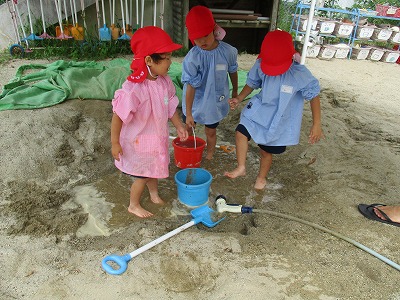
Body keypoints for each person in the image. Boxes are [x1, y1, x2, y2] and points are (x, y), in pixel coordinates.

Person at [224, 30, 323, 190]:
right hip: (261, 109)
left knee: (265, 151)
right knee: (241, 132)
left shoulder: (298, 73)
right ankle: (241, 167)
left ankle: (261, 178)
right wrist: (239, 98)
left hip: (280, 117)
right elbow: (252, 82)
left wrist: (316, 123)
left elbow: (314, 94)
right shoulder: (260, 64)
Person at [111, 26, 188, 218]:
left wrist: (179, 125)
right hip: (138, 140)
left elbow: (170, 104)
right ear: (148, 60)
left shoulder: (164, 81)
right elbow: (118, 115)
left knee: (153, 168)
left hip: (156, 137)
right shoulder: (134, 88)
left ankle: (154, 194)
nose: (171, 62)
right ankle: (133, 204)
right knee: (142, 175)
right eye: (166, 58)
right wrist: (115, 142)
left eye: (171, 56)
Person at [181, 5, 239, 159]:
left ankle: (210, 154)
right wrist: (188, 113)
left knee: (210, 131)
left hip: (214, 99)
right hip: (195, 100)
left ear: (214, 29)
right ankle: (188, 151)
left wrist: (235, 91)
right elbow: (191, 86)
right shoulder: (193, 57)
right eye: (196, 38)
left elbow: (233, 70)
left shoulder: (228, 52)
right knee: (188, 127)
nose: (201, 41)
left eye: (205, 35)